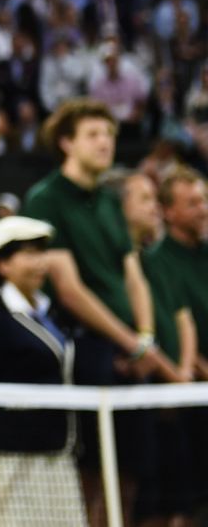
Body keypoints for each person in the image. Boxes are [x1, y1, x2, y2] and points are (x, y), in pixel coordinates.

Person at [24, 100, 179, 522]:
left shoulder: (111, 202)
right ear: (66, 143)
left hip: (132, 355)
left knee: (130, 474)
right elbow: (70, 291)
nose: (105, 142)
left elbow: (133, 277)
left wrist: (144, 339)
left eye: (109, 134)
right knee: (92, 476)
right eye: (93, 134)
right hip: (87, 352)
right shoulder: (44, 199)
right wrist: (132, 344)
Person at [0, 216, 84, 527]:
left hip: (58, 451)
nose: (40, 263)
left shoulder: (51, 311)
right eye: (29, 254)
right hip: (13, 458)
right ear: (2, 264)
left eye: (41, 253)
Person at [113, 170, 196, 527]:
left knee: (181, 506)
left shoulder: (155, 260)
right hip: (144, 400)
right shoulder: (116, 268)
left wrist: (185, 373)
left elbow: (183, 320)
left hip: (179, 399)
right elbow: (136, 338)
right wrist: (173, 375)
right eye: (144, 199)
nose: (155, 209)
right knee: (139, 505)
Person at [146, 168, 208, 519]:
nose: (203, 209)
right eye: (193, 203)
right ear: (168, 211)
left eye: (204, 200)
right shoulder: (155, 262)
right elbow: (175, 328)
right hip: (188, 401)